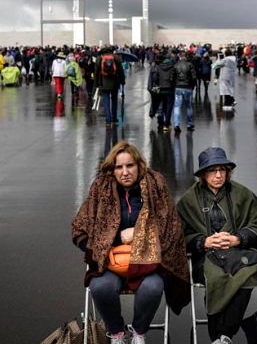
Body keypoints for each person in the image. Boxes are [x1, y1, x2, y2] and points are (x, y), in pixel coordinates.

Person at [71, 141, 190, 344]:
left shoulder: (155, 185)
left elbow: (171, 228)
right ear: (112, 169)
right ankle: (117, 333)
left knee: (153, 287)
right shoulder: (101, 188)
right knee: (100, 287)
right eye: (119, 167)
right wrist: (110, 243)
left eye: (130, 165)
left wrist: (139, 233)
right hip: (111, 264)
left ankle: (138, 333)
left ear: (139, 165)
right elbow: (79, 229)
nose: (125, 172)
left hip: (147, 263)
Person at [177, 147, 257, 344]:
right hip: (206, 259)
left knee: (246, 273)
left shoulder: (242, 194)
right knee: (217, 276)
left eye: (222, 169)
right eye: (212, 170)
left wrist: (238, 238)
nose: (218, 175)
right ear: (203, 174)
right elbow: (176, 236)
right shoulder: (189, 200)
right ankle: (223, 336)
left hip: (240, 255)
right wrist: (203, 241)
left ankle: (222, 336)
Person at [96, 48, 126, 128]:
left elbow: (97, 72)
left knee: (106, 101)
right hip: (115, 83)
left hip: (104, 83)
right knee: (114, 100)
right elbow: (120, 70)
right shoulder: (116, 57)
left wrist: (97, 84)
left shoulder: (100, 58)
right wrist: (122, 81)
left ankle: (108, 121)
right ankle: (114, 119)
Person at [173, 52, 197, 133]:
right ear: (185, 57)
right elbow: (194, 77)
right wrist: (193, 86)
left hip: (178, 87)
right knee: (189, 106)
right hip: (188, 87)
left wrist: (174, 85)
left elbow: (172, 77)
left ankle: (176, 124)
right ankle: (189, 124)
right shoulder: (190, 65)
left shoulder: (175, 65)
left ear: (179, 56)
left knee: (177, 106)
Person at [156, 54, 177, 131]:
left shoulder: (159, 67)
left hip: (161, 88)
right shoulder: (173, 67)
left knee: (162, 105)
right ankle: (166, 124)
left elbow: (156, 78)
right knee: (169, 107)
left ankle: (161, 118)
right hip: (170, 89)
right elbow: (174, 78)